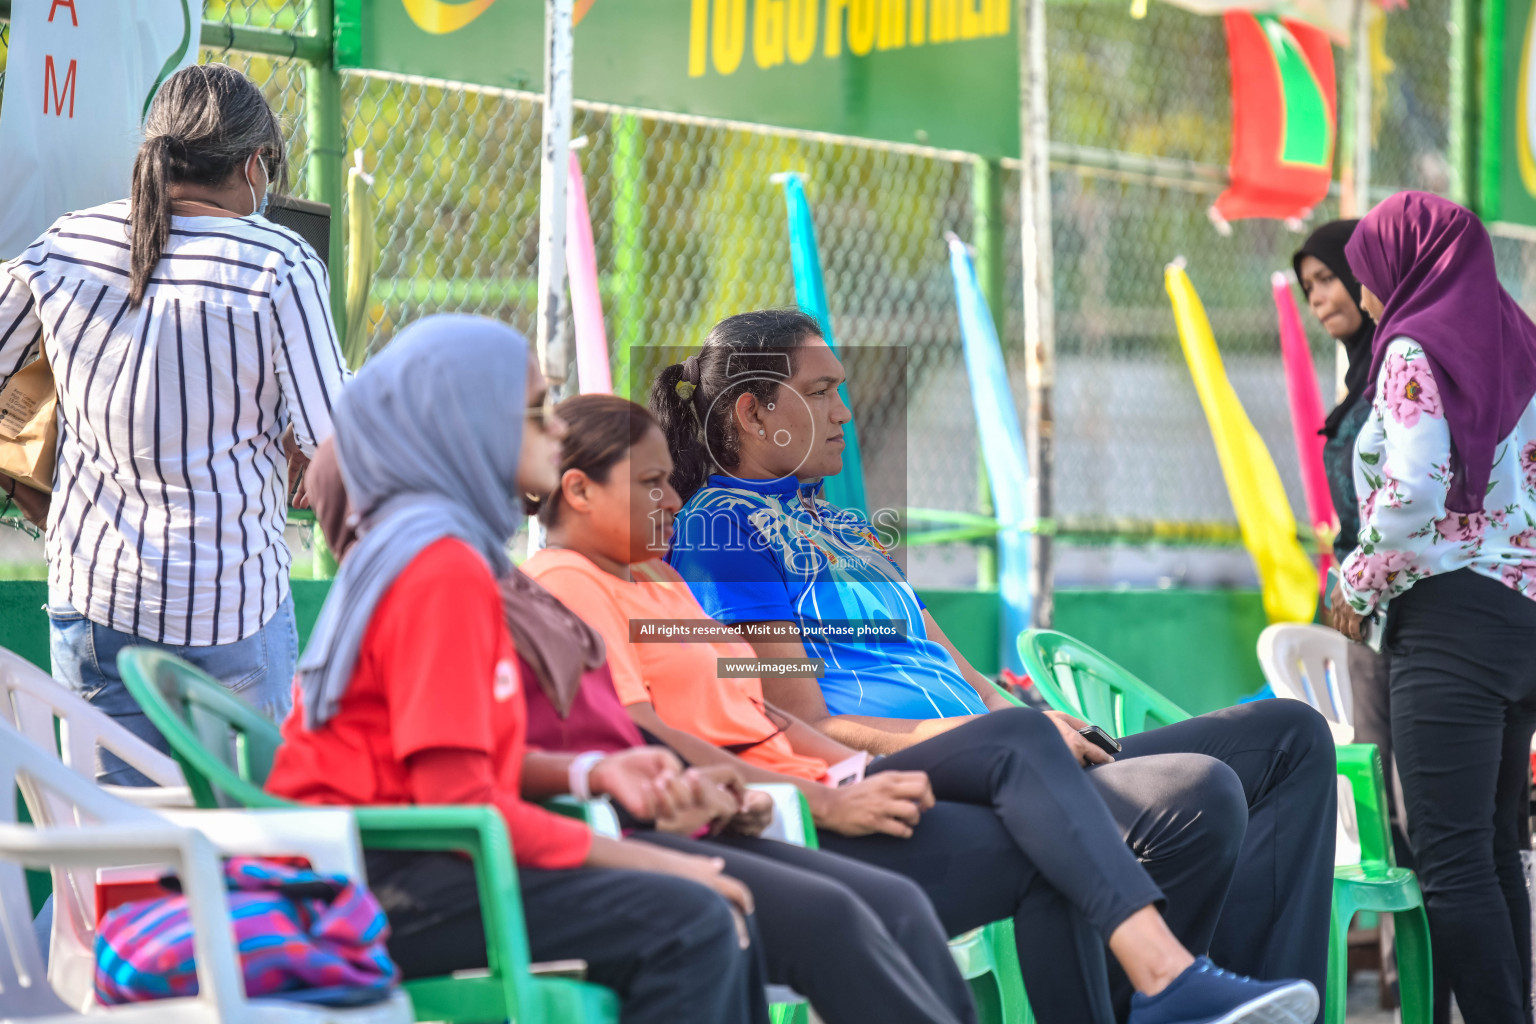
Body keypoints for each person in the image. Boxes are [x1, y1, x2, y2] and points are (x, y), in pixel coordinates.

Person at [525, 392, 1323, 1024]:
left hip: (827, 775)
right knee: (1023, 747)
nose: (671, 496)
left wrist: (842, 767)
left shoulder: (664, 581)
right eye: (651, 483)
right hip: (775, 813)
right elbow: (646, 729)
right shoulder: (580, 580)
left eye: (671, 477)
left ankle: (1177, 986)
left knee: (1065, 804)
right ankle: (1168, 977)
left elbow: (764, 710)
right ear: (578, 489)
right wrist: (826, 794)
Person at [302, 417, 979, 1024]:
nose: (539, 429)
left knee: (882, 893)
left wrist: (603, 772)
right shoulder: (485, 589)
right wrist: (648, 836)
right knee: (721, 918)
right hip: (420, 873)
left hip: (628, 814)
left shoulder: (538, 584)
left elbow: (503, 761)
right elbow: (468, 796)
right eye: (529, 411)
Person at [264, 315, 767, 1024]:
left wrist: (590, 774)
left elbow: (457, 767)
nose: (556, 429)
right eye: (533, 413)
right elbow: (461, 808)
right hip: (367, 886)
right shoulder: (440, 567)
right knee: (691, 919)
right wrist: (654, 861)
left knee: (700, 914)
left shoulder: (435, 546)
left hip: (394, 859)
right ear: (464, 428)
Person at [0, 64, 346, 784]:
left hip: (95, 605)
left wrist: (22, 479)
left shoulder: (65, 243)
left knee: (118, 849)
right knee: (240, 851)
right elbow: (335, 448)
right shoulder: (280, 264)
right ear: (255, 166)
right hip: (231, 614)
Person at [1328, 191, 1536, 1024]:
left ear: (1406, 266)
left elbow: (1413, 492)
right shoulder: (1517, 338)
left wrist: (1356, 582)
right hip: (1521, 615)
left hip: (1449, 624)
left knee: (1450, 864)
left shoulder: (1414, 345)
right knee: (1495, 851)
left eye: (1369, 273)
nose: (1368, 295)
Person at [1294, 221, 1413, 868]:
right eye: (1307, 286)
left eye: (1329, 278)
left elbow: (1403, 498)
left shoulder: (1401, 368)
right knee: (1378, 792)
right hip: (1359, 602)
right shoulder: (1359, 376)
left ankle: (1436, 967)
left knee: (1413, 797)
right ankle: (1403, 968)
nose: (1318, 298)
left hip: (1398, 598)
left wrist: (1357, 589)